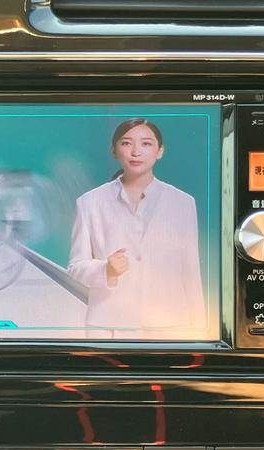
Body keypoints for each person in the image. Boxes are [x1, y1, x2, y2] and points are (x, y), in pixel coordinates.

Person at [67, 118, 207, 339]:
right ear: (114, 151)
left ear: (160, 151)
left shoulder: (182, 202)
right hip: (109, 326)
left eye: (146, 144)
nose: (136, 152)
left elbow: (190, 271)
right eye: (126, 143)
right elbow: (76, 266)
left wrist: (201, 330)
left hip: (170, 325)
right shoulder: (89, 202)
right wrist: (106, 270)